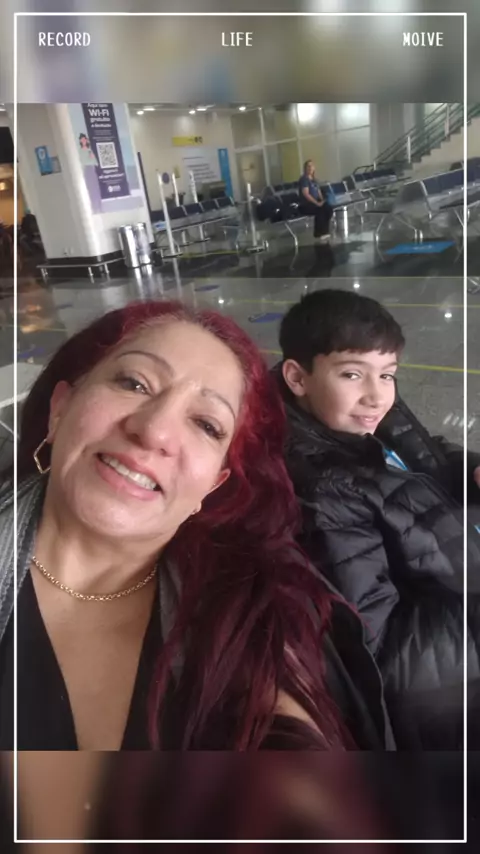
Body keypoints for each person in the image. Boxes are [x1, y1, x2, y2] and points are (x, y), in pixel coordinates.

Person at [0, 300, 393, 752]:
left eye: (207, 424)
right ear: (60, 408)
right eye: (134, 383)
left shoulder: (252, 615)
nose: (155, 432)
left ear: (214, 483)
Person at [275, 288, 480, 750]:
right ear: (298, 377)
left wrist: (471, 469)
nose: (376, 395)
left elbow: (422, 457)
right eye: (352, 374)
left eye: (387, 374)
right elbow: (383, 648)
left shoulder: (356, 418)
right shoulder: (323, 494)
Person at [298, 160, 334, 242]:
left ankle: (324, 230)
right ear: (305, 168)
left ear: (314, 168)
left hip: (315, 203)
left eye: (311, 166)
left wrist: (322, 201)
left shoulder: (314, 180)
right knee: (320, 210)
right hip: (306, 205)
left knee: (328, 209)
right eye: (308, 166)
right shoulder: (304, 179)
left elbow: (318, 192)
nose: (310, 168)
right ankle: (320, 232)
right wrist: (317, 203)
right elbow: (306, 194)